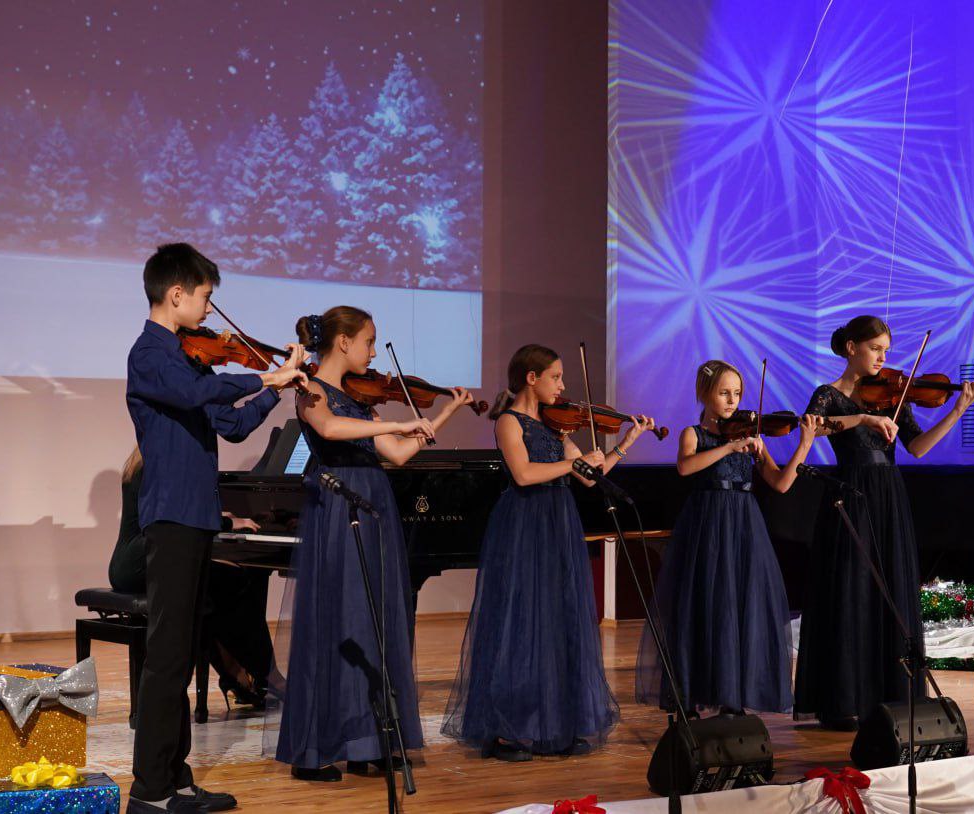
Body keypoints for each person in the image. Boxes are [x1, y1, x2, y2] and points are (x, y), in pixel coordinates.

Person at [125, 243, 306, 813]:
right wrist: (262, 373)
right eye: (205, 297)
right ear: (176, 293)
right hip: (172, 517)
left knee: (184, 652)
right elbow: (196, 394)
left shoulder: (187, 360)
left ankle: (175, 779)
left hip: (197, 516)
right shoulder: (150, 354)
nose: (209, 309)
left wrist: (274, 391)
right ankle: (149, 791)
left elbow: (230, 425)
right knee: (167, 658)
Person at [276, 306, 473, 781]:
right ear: (343, 342)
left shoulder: (361, 399)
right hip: (336, 506)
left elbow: (400, 454)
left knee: (374, 623)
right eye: (369, 341)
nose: (372, 352)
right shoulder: (309, 389)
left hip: (373, 506)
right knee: (337, 621)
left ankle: (369, 743)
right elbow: (329, 429)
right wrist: (394, 424)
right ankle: (316, 749)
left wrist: (443, 413)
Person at [442, 344, 652, 761]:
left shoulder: (557, 427)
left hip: (558, 522)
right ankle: (509, 730)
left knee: (558, 619)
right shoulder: (508, 421)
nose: (562, 385)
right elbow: (523, 474)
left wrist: (625, 443)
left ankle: (557, 723)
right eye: (555, 377)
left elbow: (590, 478)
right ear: (531, 378)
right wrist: (573, 464)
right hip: (523, 524)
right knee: (521, 621)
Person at [794, 315, 974, 731]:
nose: (882, 358)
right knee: (849, 590)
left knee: (890, 589)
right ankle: (843, 699)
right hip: (850, 494)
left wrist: (958, 409)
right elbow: (816, 429)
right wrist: (863, 419)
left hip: (888, 495)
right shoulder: (828, 394)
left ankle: (888, 694)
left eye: (886, 350)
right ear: (851, 348)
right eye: (875, 348)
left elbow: (918, 447)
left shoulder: (893, 396)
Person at [637, 359, 820, 714]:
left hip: (743, 525)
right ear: (705, 393)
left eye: (737, 393)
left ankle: (733, 696)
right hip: (707, 526)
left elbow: (781, 483)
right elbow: (685, 466)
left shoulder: (751, 437)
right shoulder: (694, 434)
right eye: (724, 393)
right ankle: (693, 692)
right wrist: (728, 447)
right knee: (703, 605)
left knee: (739, 607)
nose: (733, 400)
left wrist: (804, 444)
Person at [109, 447, 278, 708]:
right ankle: (263, 674)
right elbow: (181, 522)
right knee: (233, 581)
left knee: (207, 592)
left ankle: (239, 674)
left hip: (132, 562)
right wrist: (228, 522)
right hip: (143, 561)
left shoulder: (145, 458)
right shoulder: (162, 463)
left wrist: (219, 518)